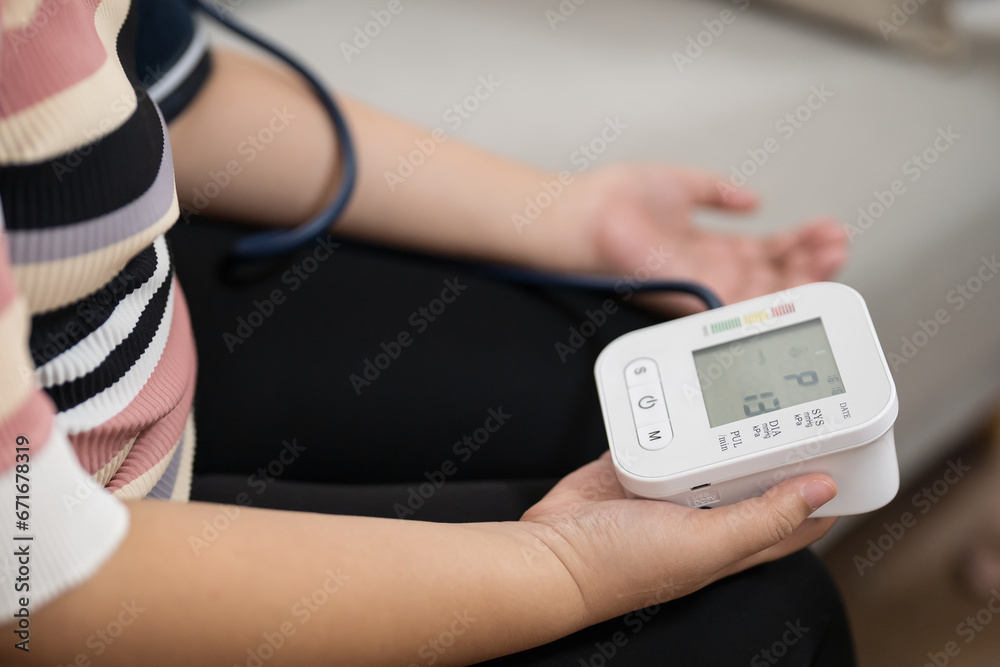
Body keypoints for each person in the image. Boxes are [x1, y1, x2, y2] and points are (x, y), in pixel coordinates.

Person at [0, 1, 854, 664]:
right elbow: (35, 588)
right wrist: (562, 566)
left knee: (611, 365)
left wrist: (566, 218)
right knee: (755, 616)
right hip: (54, 565)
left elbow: (169, 93)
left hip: (110, 341)